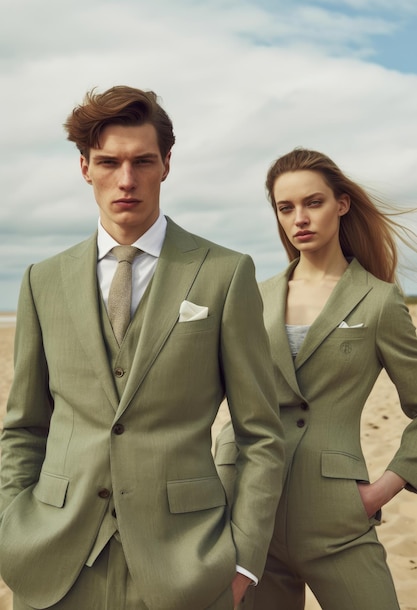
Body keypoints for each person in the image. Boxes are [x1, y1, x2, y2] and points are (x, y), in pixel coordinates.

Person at [0, 85, 285, 610]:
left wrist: (243, 560)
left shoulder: (225, 273)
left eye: (142, 161)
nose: (126, 180)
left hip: (187, 563)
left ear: (166, 165)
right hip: (54, 562)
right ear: (84, 167)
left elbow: (261, 434)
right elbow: (24, 426)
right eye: (108, 162)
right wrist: (10, 526)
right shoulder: (43, 279)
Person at [215, 148, 417, 610]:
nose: (299, 218)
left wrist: (384, 488)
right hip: (247, 514)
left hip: (336, 518)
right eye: (285, 208)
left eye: (313, 203)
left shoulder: (378, 300)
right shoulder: (251, 295)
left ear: (341, 204)